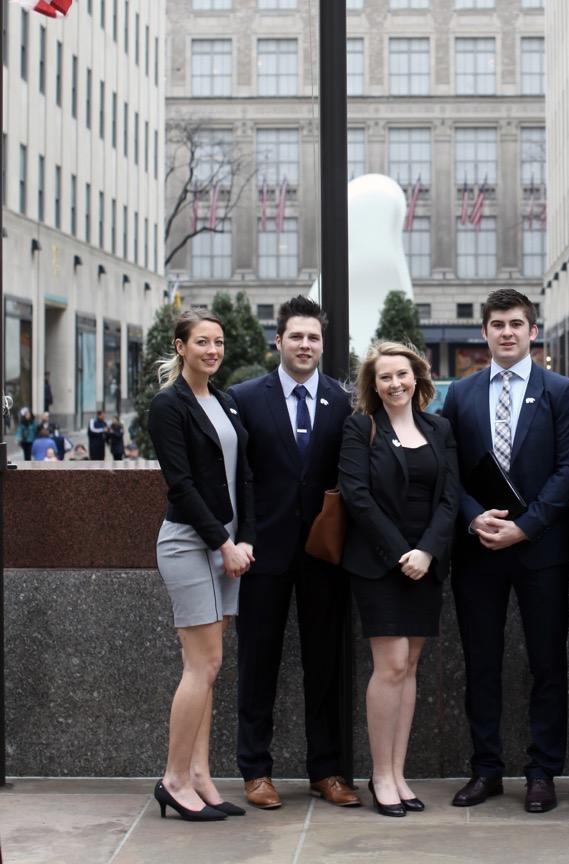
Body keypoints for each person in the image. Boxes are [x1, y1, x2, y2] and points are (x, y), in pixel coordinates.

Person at [441, 288, 569, 813]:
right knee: (482, 662)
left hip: (540, 550)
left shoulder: (562, 391)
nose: (507, 332)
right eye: (497, 324)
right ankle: (486, 770)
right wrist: (470, 515)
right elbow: (449, 469)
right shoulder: (459, 394)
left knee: (547, 663)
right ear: (484, 332)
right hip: (478, 549)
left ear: (532, 331)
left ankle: (542, 771)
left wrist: (524, 528)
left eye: (516, 324)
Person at [228, 296, 361, 811]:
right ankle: (256, 771)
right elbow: (236, 478)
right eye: (296, 336)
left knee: (324, 665)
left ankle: (325, 770)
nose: (305, 345)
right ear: (277, 341)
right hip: (261, 553)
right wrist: (239, 537)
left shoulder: (343, 399)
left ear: (323, 346)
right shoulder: (244, 398)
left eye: (314, 338)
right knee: (257, 664)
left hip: (325, 554)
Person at [340, 341, 459, 817]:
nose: (395, 383)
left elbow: (451, 496)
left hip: (426, 564)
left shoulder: (440, 427)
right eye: (385, 377)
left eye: (402, 375)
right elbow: (356, 495)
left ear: (417, 378)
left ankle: (399, 772)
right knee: (389, 666)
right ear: (374, 384)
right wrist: (401, 554)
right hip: (379, 564)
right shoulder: (359, 428)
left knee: (409, 668)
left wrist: (427, 551)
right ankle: (380, 775)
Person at [149, 307, 256, 823]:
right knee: (203, 665)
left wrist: (246, 539)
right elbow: (181, 485)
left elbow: (246, 476)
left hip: (228, 547)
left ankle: (200, 775)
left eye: (217, 342)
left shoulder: (228, 402)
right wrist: (222, 543)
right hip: (191, 543)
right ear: (180, 346)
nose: (212, 350)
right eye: (201, 342)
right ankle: (173, 779)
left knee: (208, 669)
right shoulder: (168, 406)